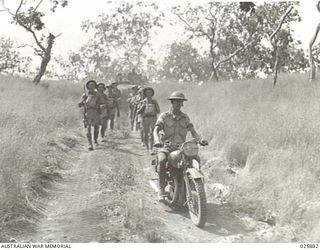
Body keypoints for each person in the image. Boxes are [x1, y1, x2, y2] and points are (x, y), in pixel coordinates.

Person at [153, 91, 208, 199]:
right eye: (177, 102)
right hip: (166, 146)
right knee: (162, 160)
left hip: (181, 147)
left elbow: (193, 132)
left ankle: (195, 186)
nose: (179, 104)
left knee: (196, 159)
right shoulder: (164, 116)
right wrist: (157, 140)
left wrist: (201, 140)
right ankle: (161, 189)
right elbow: (156, 130)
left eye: (181, 102)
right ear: (172, 102)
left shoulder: (185, 117)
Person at [78, 80, 101, 151]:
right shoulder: (85, 95)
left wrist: (99, 106)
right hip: (88, 112)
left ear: (95, 86)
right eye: (90, 85)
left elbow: (101, 103)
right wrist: (82, 102)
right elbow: (79, 104)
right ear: (88, 86)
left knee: (96, 127)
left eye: (93, 85)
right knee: (88, 128)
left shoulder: (98, 95)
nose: (92, 86)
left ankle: (95, 140)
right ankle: (90, 144)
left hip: (96, 112)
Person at [137, 87, 160, 154]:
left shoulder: (154, 102)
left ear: (152, 93)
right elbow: (138, 112)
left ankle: (151, 148)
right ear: (145, 93)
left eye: (150, 92)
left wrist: (155, 108)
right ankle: (147, 147)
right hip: (145, 119)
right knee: (145, 133)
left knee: (151, 133)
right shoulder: (142, 102)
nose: (149, 94)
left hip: (152, 118)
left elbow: (158, 111)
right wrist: (142, 107)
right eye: (147, 92)